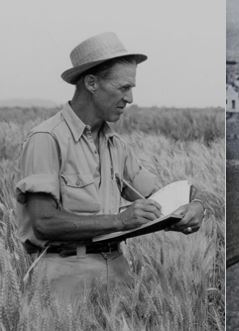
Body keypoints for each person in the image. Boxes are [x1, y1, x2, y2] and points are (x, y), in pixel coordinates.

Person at [15, 32, 205, 303]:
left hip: (118, 274)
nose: (130, 98)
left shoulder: (117, 146)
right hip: (64, 280)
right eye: (123, 87)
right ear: (92, 83)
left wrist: (194, 206)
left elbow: (162, 194)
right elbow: (44, 222)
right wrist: (120, 220)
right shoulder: (46, 139)